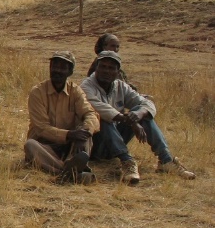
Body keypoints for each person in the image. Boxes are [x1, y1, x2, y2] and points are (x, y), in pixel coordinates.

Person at [81, 50, 194, 184]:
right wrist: (132, 122)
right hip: (95, 146)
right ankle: (127, 162)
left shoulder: (120, 86)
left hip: (114, 143)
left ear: (118, 72)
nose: (106, 71)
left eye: (111, 68)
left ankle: (166, 160)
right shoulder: (86, 86)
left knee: (141, 112)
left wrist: (139, 114)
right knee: (101, 118)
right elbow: (102, 109)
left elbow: (146, 103)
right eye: (103, 66)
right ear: (96, 68)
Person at [24, 51, 100, 184]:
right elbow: (41, 128)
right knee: (30, 145)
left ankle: (70, 168)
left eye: (62, 67)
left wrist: (86, 131)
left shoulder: (75, 91)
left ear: (70, 71)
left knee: (86, 133)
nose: (57, 71)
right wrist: (69, 134)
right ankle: (68, 172)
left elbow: (91, 114)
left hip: (71, 147)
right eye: (54, 66)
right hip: (45, 146)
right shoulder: (37, 92)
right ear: (50, 68)